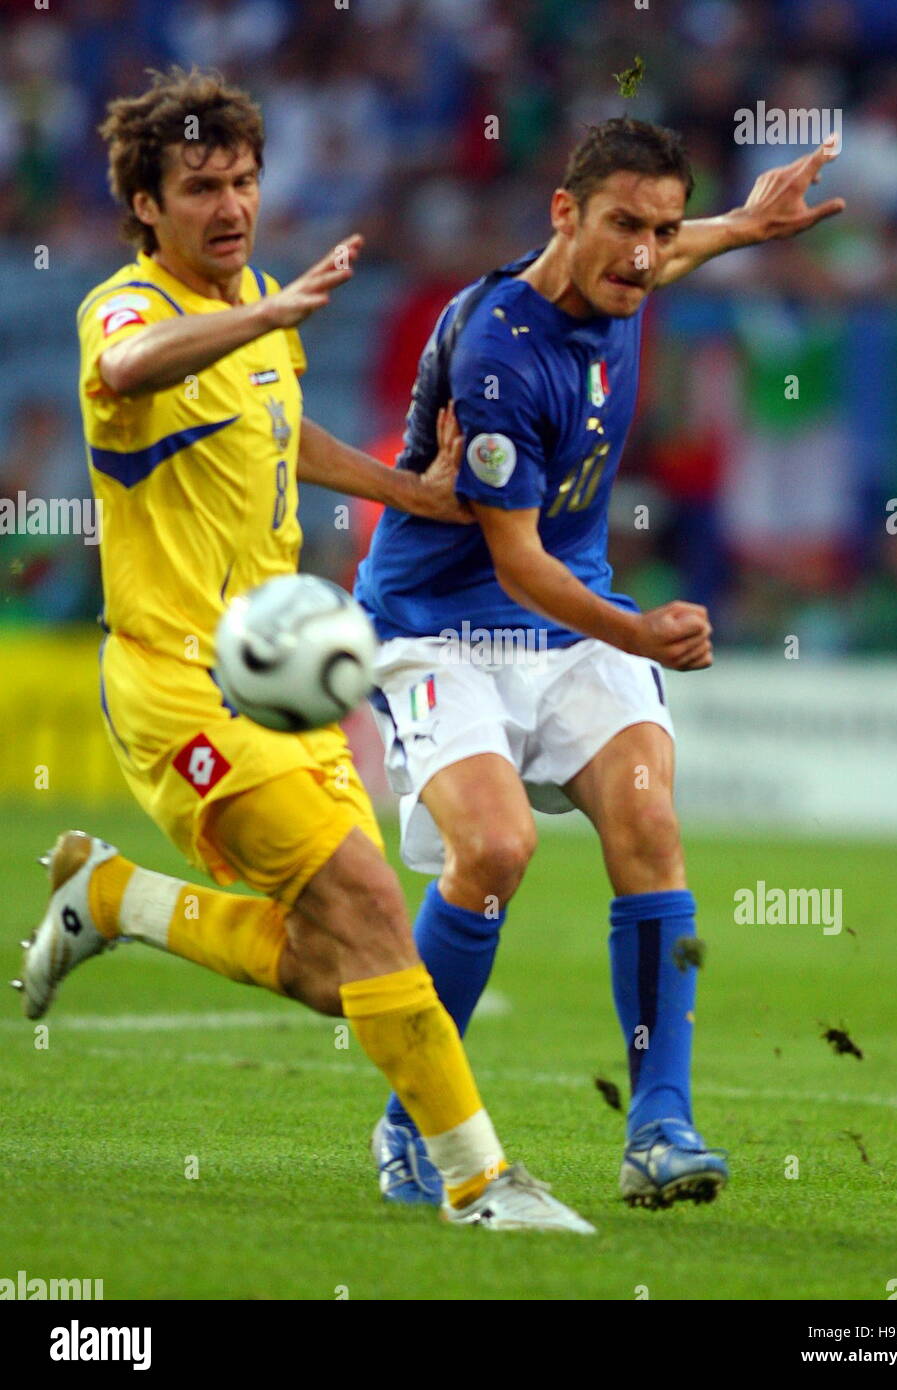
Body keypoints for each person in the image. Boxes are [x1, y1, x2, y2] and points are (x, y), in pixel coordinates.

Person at [13, 67, 593, 1235]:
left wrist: (407, 491)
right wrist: (267, 317)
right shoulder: (125, 309)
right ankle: (481, 1184)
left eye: (241, 183)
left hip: (277, 682)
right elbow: (131, 371)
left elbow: (288, 430)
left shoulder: (257, 306)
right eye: (198, 189)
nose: (229, 208)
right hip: (178, 683)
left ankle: (113, 897)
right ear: (145, 205)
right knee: (377, 904)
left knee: (337, 964)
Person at [355, 117, 844, 1209]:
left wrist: (745, 227)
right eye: (623, 222)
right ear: (560, 214)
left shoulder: (622, 273)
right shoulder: (494, 351)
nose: (644, 251)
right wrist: (639, 632)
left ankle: (659, 1124)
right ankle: (409, 1121)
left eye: (660, 227)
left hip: (569, 625)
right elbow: (516, 561)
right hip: (444, 626)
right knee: (490, 849)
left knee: (650, 823)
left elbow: (666, 253)